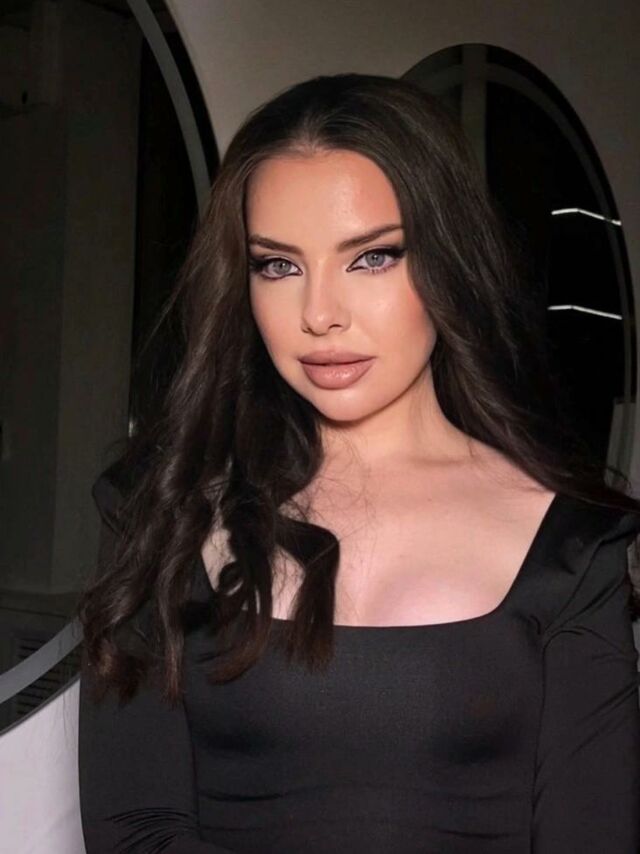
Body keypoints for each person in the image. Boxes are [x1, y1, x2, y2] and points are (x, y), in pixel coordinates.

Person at [76, 73, 640, 853]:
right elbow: (134, 833)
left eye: (371, 258)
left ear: (447, 262)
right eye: (278, 265)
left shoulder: (571, 543)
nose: (319, 314)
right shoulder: (163, 511)